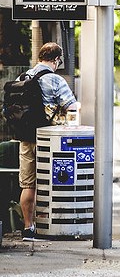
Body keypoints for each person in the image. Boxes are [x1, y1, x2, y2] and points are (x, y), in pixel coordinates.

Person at [18, 42, 78, 241]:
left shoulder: (23, 77)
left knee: (28, 184)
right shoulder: (55, 79)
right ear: (57, 60)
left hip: (26, 137)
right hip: (50, 138)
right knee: (53, 183)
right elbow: (71, 107)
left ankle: (28, 228)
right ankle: (51, 226)